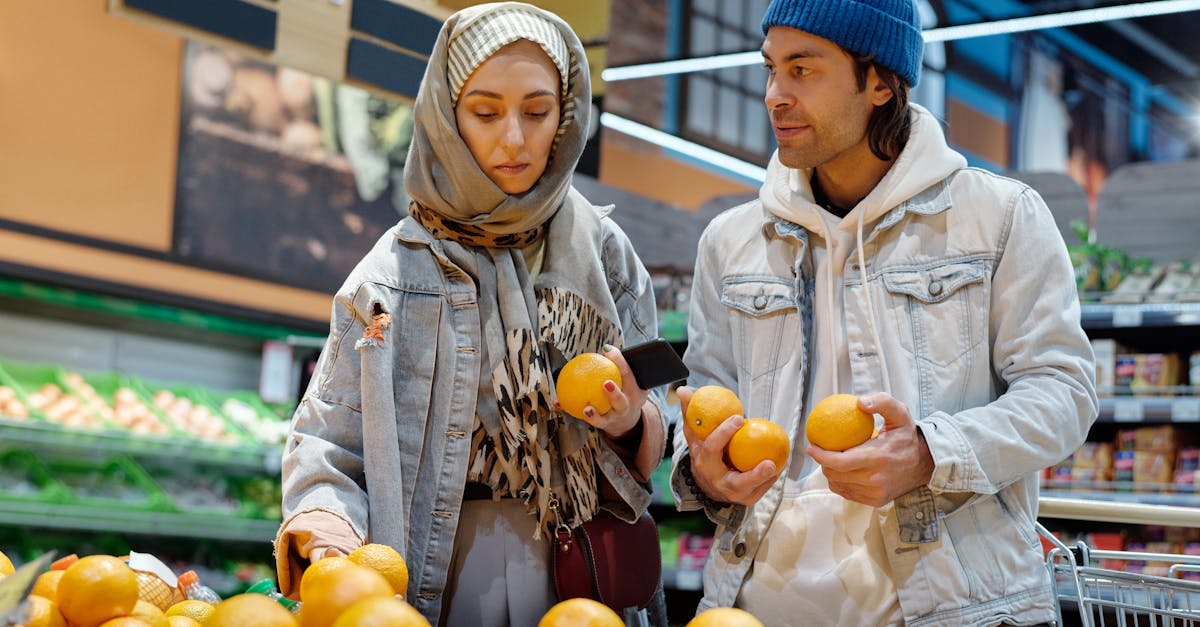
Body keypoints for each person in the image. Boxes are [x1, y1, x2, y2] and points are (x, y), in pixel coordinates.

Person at [670, 0, 1099, 625]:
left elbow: (1063, 392)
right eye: (770, 69)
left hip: (948, 605)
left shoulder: (998, 218)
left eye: (802, 69)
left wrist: (930, 453)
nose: (774, 95)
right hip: (755, 604)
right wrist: (702, 466)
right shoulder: (730, 241)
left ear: (879, 81)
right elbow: (710, 391)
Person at [274, 4, 668, 626]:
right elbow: (328, 442)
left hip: (583, 571)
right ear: (446, 116)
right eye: (485, 113)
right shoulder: (393, 275)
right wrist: (326, 529)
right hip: (438, 568)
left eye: (538, 113)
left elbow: (656, 421)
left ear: (565, 119)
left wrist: (628, 421)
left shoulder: (607, 255)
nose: (513, 138)